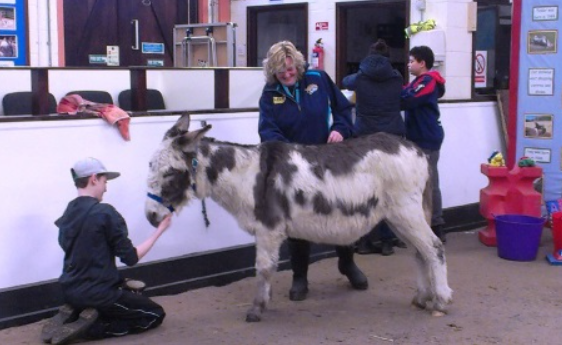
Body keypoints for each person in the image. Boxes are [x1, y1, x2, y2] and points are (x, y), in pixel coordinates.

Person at [258, 40, 368, 301]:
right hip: (295, 166)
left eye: (289, 68)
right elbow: (267, 130)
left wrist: (341, 129)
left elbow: (343, 109)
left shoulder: (318, 78)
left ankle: (347, 263)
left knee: (340, 211)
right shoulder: (270, 93)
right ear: (272, 72)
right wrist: (289, 153)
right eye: (280, 71)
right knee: (298, 220)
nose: (286, 74)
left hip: (330, 159)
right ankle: (300, 276)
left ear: (297, 64)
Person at [41, 157, 173, 345]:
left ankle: (76, 311)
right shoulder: (105, 213)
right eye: (104, 181)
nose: (106, 188)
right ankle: (91, 328)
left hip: (70, 289)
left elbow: (76, 250)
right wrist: (159, 231)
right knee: (153, 314)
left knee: (124, 291)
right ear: (94, 179)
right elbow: (131, 258)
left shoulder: (68, 212)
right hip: (98, 294)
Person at [342, 39, 407, 256]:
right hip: (392, 139)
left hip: (366, 138)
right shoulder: (397, 77)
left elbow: (344, 81)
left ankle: (364, 242)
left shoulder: (359, 78)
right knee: (390, 189)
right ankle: (387, 242)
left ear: (369, 56)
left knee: (367, 191)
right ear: (388, 57)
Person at [400, 45, 447, 242]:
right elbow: (405, 93)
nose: (409, 65)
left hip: (427, 138)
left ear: (422, 63)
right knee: (420, 183)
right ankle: (422, 224)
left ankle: (436, 226)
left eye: (412, 61)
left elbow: (409, 100)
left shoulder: (427, 81)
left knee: (430, 183)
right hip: (417, 138)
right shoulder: (417, 82)